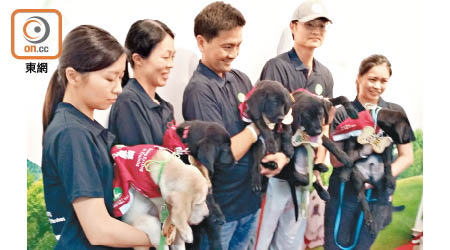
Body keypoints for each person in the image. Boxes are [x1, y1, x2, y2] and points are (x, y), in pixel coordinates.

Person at [182, 2, 290, 249]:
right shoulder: (199, 90)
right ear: (202, 42)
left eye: (238, 45)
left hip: (250, 203)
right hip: (221, 212)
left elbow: (267, 127)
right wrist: (255, 129)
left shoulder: (240, 78)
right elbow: (225, 154)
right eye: (227, 46)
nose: (234, 53)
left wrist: (278, 156)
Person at [41, 25, 153, 249]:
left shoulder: (83, 127)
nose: (118, 89)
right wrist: (156, 237)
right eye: (110, 79)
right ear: (73, 76)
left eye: (120, 78)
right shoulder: (72, 133)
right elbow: (99, 230)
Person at [256, 0, 333, 249]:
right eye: (310, 24)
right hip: (277, 173)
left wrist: (321, 159)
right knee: (261, 238)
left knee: (290, 240)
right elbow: (265, 121)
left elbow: (325, 124)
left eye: (321, 26)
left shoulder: (325, 75)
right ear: (293, 27)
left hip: (306, 171)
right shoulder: (276, 68)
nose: (316, 31)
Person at [324, 54, 415, 249]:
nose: (377, 86)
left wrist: (380, 177)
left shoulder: (394, 113)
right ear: (359, 78)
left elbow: (407, 156)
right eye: (372, 79)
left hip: (377, 197)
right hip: (343, 194)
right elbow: (335, 161)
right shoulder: (341, 113)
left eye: (383, 81)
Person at [108, 19, 176, 146]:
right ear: (138, 59)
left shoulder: (166, 107)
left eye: (173, 57)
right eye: (166, 57)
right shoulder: (128, 103)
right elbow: (145, 161)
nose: (171, 64)